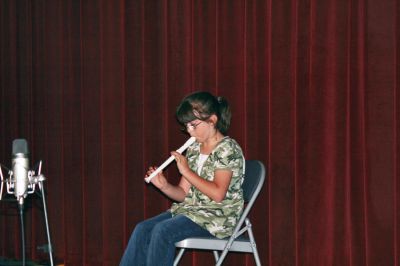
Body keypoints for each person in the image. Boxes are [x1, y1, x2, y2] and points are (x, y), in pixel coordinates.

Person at [120, 91, 245, 266]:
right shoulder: (194, 148)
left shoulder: (228, 149)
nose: (189, 131)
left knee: (162, 231)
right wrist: (164, 186)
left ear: (212, 120)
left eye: (193, 125)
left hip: (217, 218)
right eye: (186, 126)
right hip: (189, 212)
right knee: (142, 229)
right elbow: (183, 194)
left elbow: (218, 194)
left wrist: (186, 171)